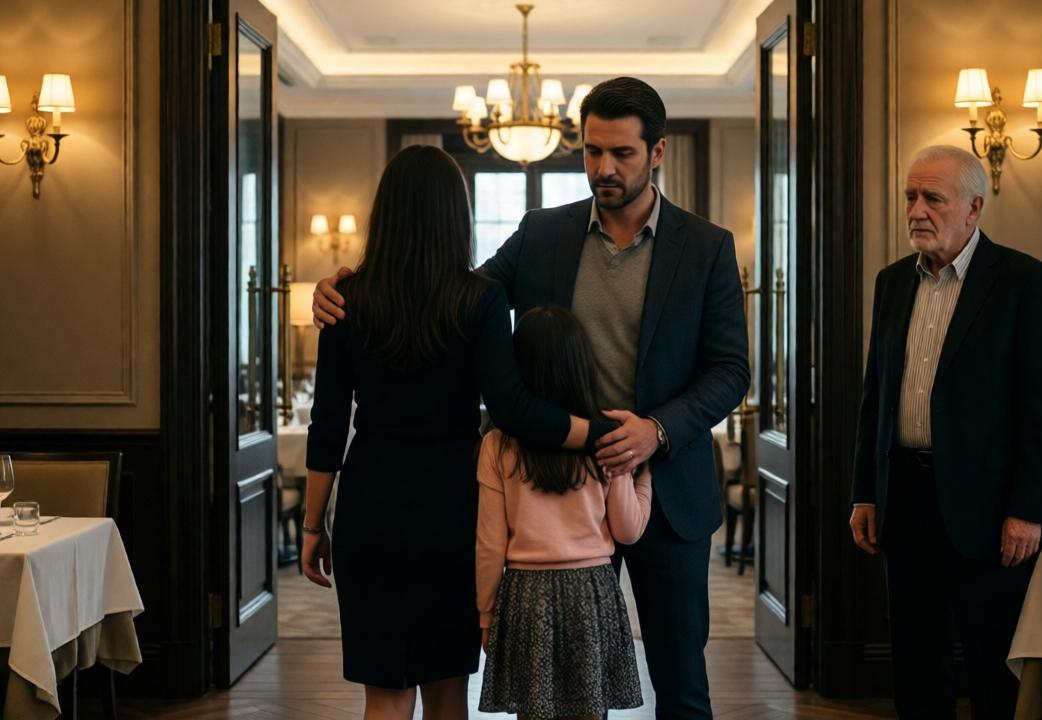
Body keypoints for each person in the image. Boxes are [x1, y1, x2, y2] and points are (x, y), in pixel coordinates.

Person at [315, 77, 749, 719]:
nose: (603, 168)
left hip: (662, 492)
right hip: (553, 495)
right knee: (553, 691)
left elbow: (730, 370)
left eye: (621, 154)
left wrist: (655, 429)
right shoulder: (542, 232)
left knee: (680, 678)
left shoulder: (707, 246)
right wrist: (353, 283)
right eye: (592, 152)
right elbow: (448, 298)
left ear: (657, 153)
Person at [301, 145, 599, 720]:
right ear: (455, 217)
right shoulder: (480, 299)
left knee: (384, 694)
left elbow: (328, 426)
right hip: (454, 509)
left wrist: (315, 525)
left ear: (383, 215)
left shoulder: (346, 300)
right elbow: (511, 407)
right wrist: (595, 430)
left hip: (371, 506)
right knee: (446, 690)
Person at [849, 144, 1042, 719]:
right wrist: (865, 492)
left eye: (932, 198)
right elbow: (876, 395)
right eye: (910, 197)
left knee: (994, 669)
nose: (916, 210)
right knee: (917, 667)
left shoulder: (1022, 281)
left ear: (974, 208)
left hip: (990, 511)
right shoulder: (892, 283)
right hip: (904, 500)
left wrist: (1028, 509)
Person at [475, 305, 651, 719]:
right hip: (591, 593)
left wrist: (486, 613)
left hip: (524, 595)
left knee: (533, 710)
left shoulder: (498, 445)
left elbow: (488, 545)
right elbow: (628, 531)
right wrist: (645, 479)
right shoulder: (605, 440)